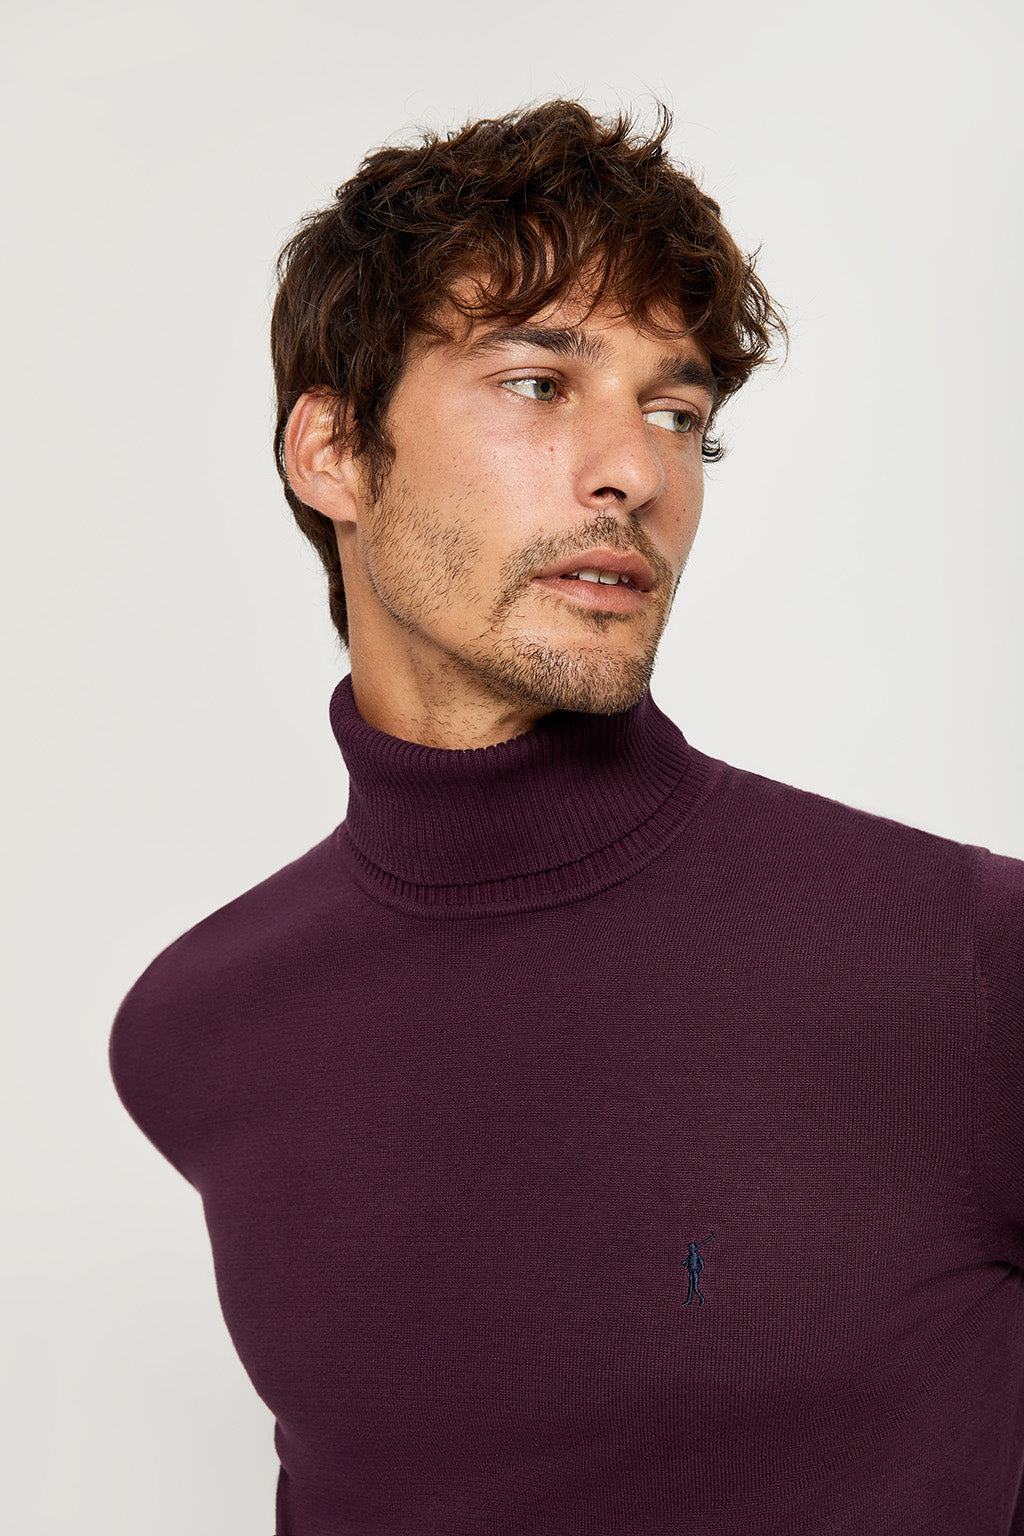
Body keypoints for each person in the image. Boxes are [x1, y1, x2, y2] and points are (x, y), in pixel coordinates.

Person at [109, 101, 1024, 1534]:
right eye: (539, 383)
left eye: (676, 414)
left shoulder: (969, 960)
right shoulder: (195, 1030)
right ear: (333, 451)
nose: (636, 472)